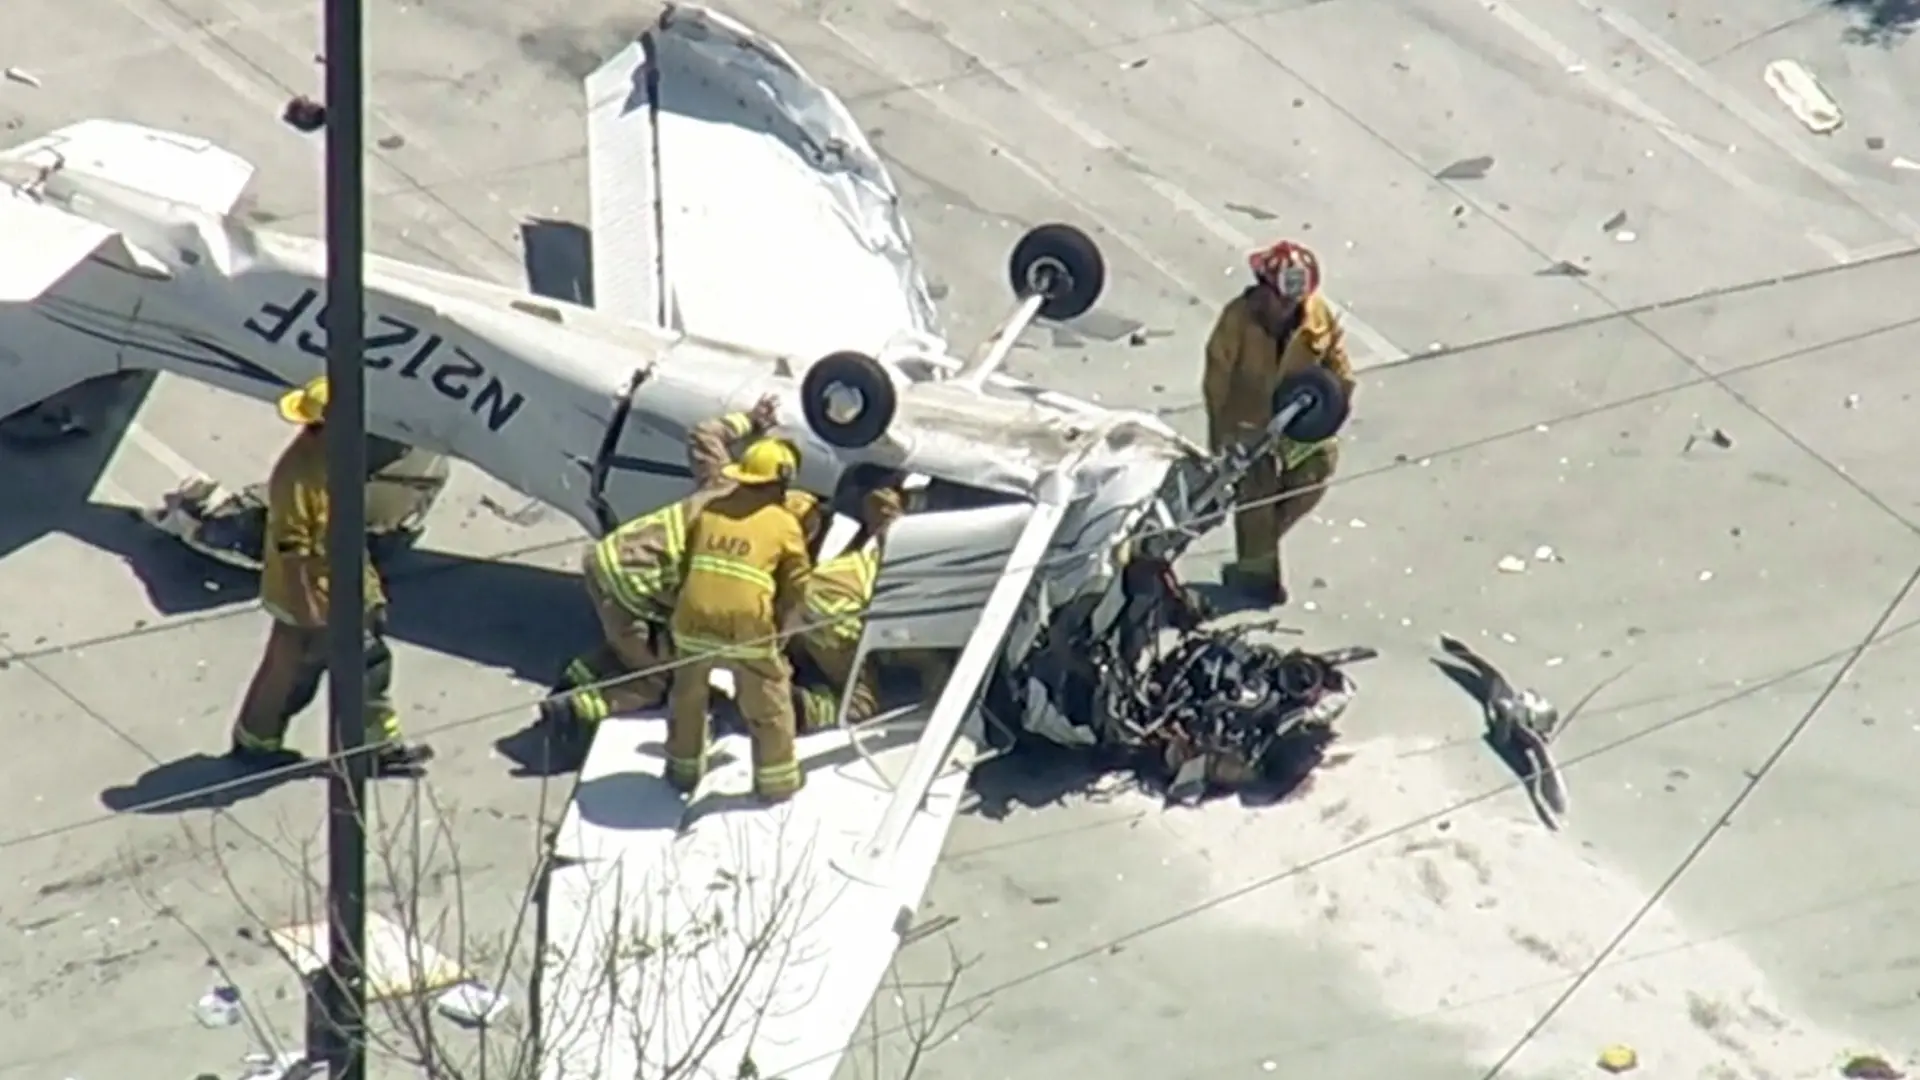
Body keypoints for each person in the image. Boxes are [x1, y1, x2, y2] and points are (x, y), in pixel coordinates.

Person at [542, 397, 784, 758]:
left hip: (606, 556)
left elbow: (704, 435)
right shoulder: (735, 544)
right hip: (628, 593)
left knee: (636, 644)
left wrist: (750, 420)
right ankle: (576, 711)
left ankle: (578, 674)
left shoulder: (721, 483)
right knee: (662, 676)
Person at [228, 376, 435, 774]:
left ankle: (255, 742)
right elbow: (295, 554)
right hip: (314, 594)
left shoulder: (332, 460)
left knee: (290, 672)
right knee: (365, 664)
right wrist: (310, 610)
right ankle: (375, 748)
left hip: (333, 586)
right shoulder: (299, 476)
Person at [1201, 240, 1356, 607]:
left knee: (1315, 472)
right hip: (1248, 424)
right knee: (1257, 489)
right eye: (1281, 299)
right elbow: (1216, 383)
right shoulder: (1236, 321)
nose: (1288, 307)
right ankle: (1256, 578)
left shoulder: (1318, 317)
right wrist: (1222, 441)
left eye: (1295, 300)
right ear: (1264, 288)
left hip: (1298, 425)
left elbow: (1340, 372)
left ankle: (1260, 543)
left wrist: (1330, 410)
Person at [664, 438, 815, 803]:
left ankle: (682, 773)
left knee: (688, 694)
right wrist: (783, 631)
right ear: (782, 480)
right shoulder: (783, 523)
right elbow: (797, 585)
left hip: (692, 617)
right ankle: (777, 783)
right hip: (746, 625)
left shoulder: (711, 510)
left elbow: (685, 565)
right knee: (768, 699)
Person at [787, 482, 907, 732]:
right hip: (839, 610)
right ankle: (800, 708)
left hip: (826, 604)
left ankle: (794, 705)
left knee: (859, 698)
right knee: (862, 699)